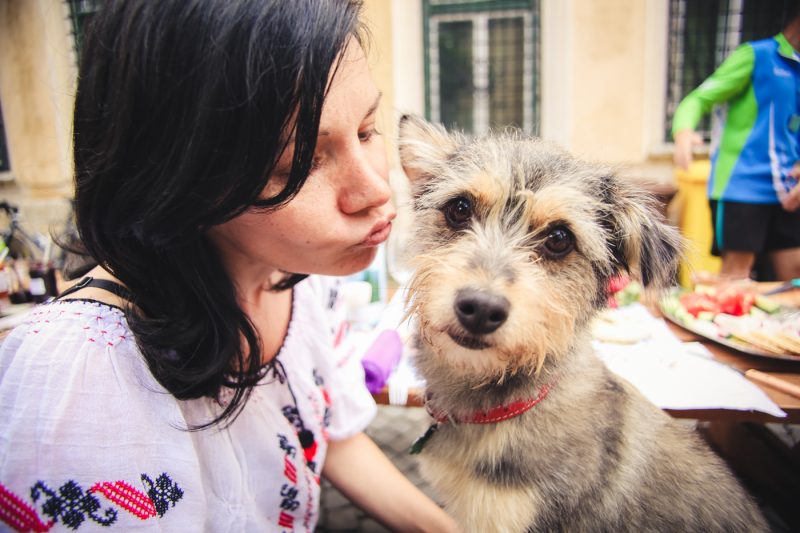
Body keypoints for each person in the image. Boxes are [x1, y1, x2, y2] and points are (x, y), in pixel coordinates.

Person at [0, 1, 458, 531]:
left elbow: (330, 435)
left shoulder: (300, 283)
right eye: (300, 161)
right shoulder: (82, 383)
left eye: (367, 130)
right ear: (180, 180)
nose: (376, 191)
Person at [672, 3, 800, 281]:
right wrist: (683, 132)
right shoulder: (757, 56)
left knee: (791, 278)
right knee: (736, 277)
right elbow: (698, 98)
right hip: (743, 188)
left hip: (788, 191)